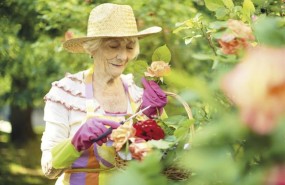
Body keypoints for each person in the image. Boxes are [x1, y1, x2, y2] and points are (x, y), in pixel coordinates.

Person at [41, 3, 167, 185]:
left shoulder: (138, 94)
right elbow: (48, 169)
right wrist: (75, 142)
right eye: (113, 46)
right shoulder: (66, 93)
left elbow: (162, 158)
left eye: (129, 47)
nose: (123, 56)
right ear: (93, 48)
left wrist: (152, 119)